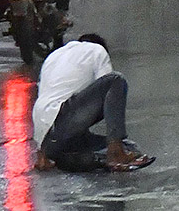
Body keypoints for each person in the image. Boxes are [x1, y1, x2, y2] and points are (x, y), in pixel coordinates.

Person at [32, 33, 154, 172]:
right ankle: (116, 152)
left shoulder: (53, 57)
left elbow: (45, 100)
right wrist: (114, 139)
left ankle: (66, 160)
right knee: (115, 80)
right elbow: (108, 92)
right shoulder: (97, 50)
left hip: (48, 142)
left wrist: (41, 149)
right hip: (62, 121)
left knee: (131, 148)